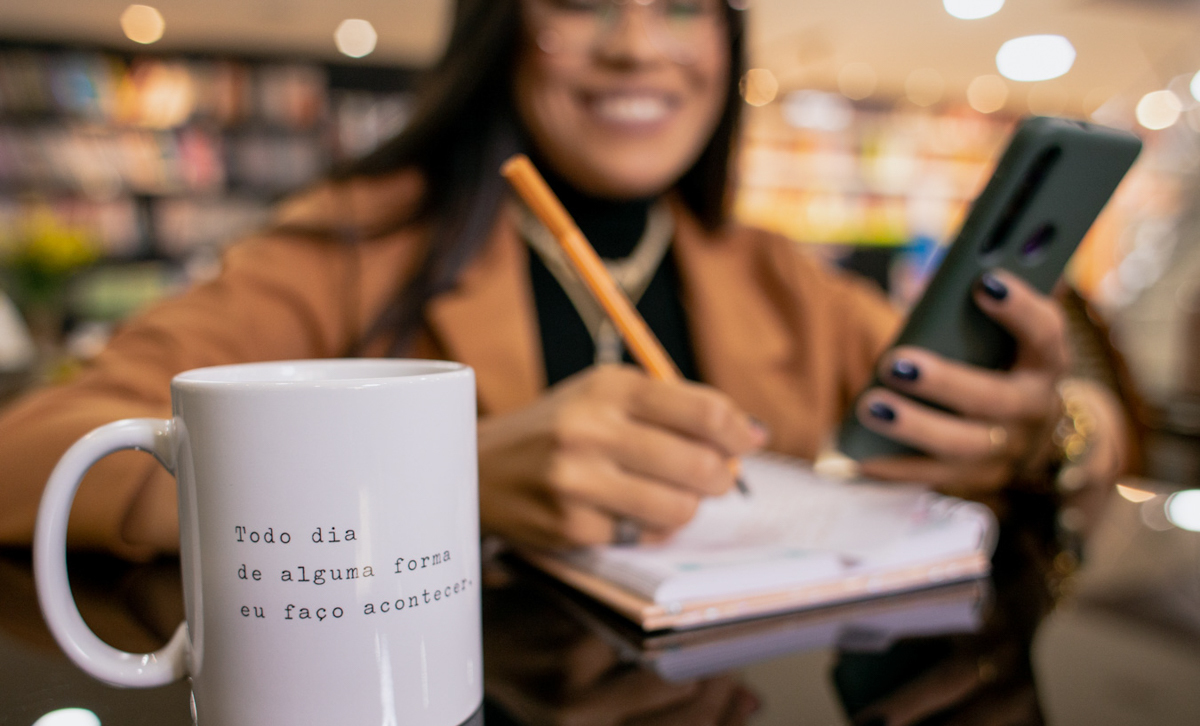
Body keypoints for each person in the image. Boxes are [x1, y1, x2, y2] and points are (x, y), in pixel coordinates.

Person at [0, 0, 1130, 560]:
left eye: (684, 1)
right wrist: (437, 479)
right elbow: (34, 457)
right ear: (502, 27)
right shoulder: (349, 245)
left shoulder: (777, 275)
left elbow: (1099, 427)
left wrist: (1049, 431)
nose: (639, 45)